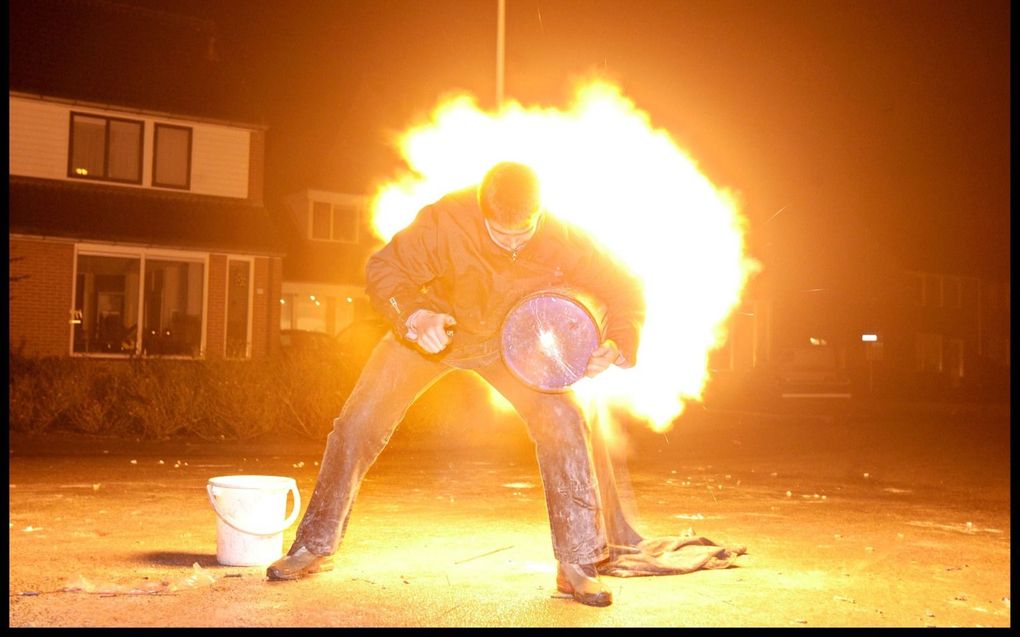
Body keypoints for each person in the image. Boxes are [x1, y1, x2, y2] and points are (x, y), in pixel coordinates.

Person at [266, 161, 646, 607]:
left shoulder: (564, 238)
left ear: (539, 213)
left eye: (522, 234)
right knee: (358, 422)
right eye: (499, 234)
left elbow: (624, 288)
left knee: (564, 421)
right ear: (482, 206)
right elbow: (383, 269)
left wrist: (619, 340)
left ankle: (577, 564)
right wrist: (413, 315)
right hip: (436, 333)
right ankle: (313, 545)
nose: (511, 242)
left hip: (514, 346)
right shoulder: (446, 219)